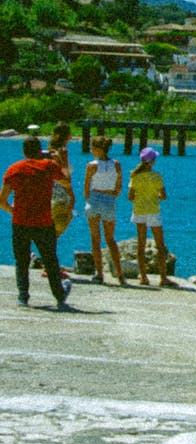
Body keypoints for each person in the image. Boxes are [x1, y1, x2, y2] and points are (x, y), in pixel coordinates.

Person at [0, 136, 74, 310]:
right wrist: (60, 161)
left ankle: (23, 296)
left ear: (24, 151)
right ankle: (59, 295)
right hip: (43, 221)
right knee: (50, 260)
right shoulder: (48, 166)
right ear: (40, 150)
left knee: (22, 261)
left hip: (20, 222)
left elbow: (2, 200)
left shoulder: (14, 169)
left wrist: (14, 211)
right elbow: (66, 182)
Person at [128, 147, 172, 286]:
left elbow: (130, 196)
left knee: (141, 245)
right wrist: (155, 195)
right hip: (153, 211)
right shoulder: (157, 176)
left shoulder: (135, 176)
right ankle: (163, 278)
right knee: (160, 245)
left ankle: (143, 277)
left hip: (139, 211)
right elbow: (163, 196)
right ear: (152, 161)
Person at [84, 135, 125, 285]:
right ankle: (120, 274)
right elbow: (119, 186)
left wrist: (89, 200)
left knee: (95, 239)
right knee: (110, 239)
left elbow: (86, 187)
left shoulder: (91, 165)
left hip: (95, 198)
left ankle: (99, 274)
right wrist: (112, 196)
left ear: (97, 149)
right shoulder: (116, 164)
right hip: (109, 199)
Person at [49, 122, 76, 238]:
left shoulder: (51, 150)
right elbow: (64, 174)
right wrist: (71, 194)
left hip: (51, 192)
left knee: (53, 229)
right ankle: (46, 254)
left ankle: (44, 254)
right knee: (58, 228)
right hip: (60, 193)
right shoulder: (62, 152)